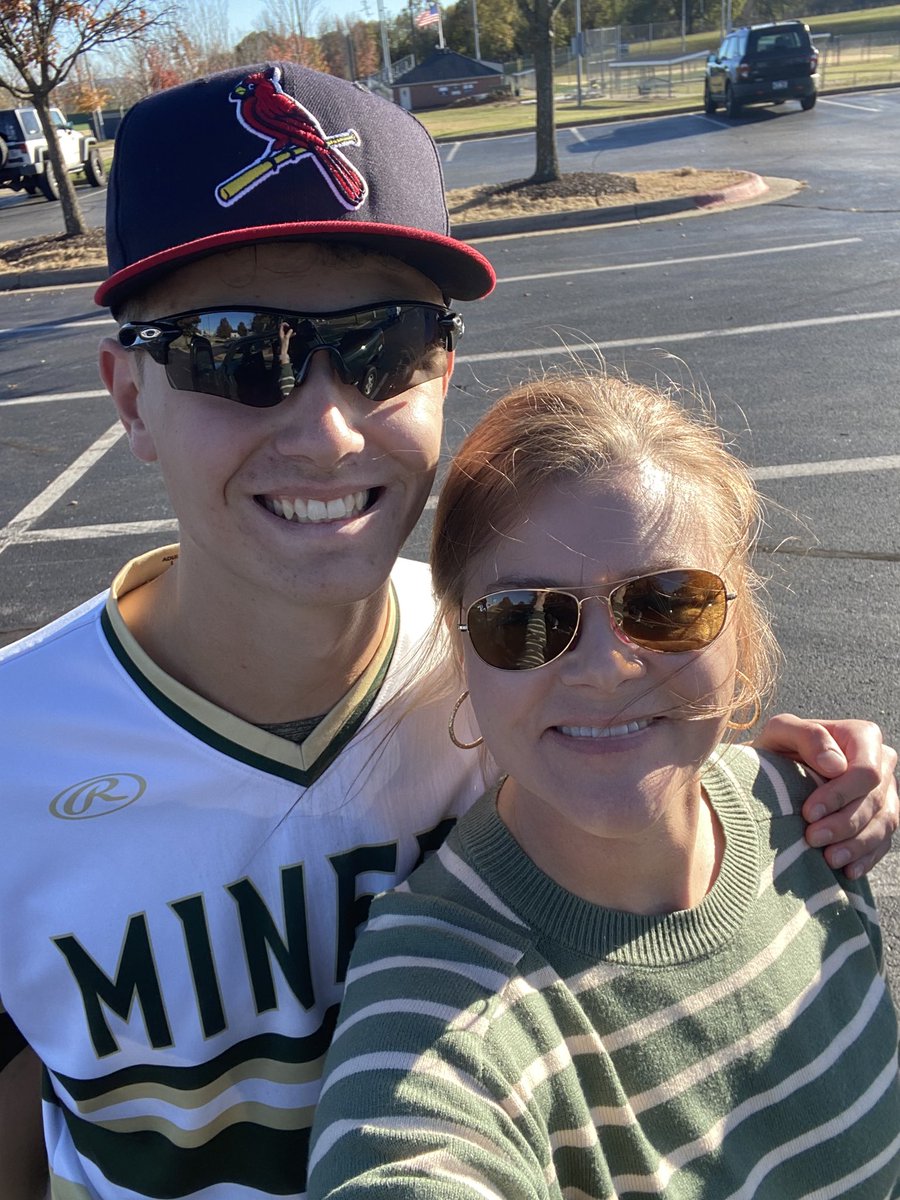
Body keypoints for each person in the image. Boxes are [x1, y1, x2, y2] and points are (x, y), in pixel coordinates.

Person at [0, 61, 894, 1200]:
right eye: (235, 350)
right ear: (130, 396)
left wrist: (819, 787)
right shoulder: (11, 761)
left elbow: (653, 748)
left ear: (441, 371)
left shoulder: (521, 643)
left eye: (382, 346)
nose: (326, 428)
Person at [307, 374, 900, 1200]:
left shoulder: (811, 813)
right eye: (526, 619)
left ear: (742, 619)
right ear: (462, 649)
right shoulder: (438, 998)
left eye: (665, 605)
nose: (601, 671)